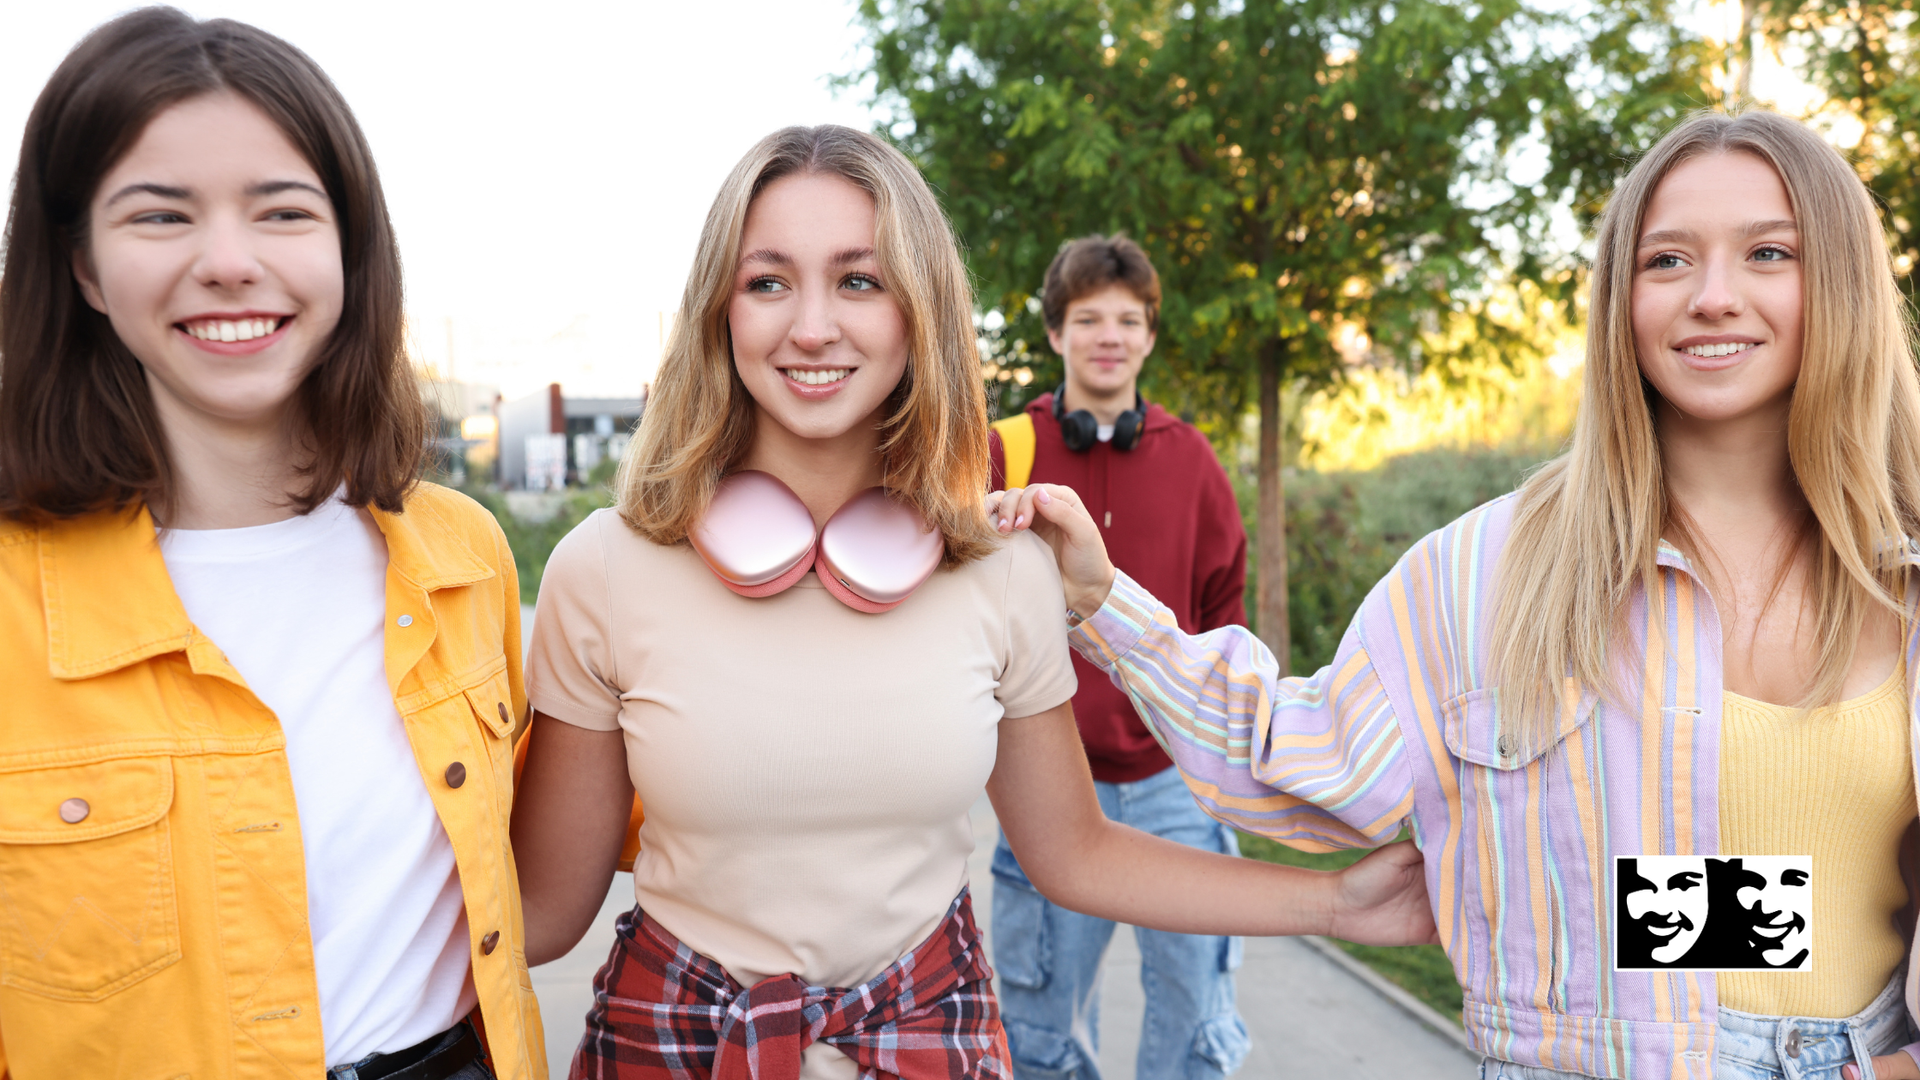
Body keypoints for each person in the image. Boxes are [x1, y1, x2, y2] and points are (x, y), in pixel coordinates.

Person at [990, 108, 1920, 1080]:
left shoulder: (1909, 581)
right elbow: (1295, 756)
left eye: (1770, 252)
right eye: (1667, 260)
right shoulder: (1486, 572)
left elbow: (1777, 904)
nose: (1714, 296)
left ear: (1844, 279)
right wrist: (1106, 604)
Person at [508, 124, 1436, 1080]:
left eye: (860, 280)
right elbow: (538, 916)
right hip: (667, 1045)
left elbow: (1076, 854)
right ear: (719, 310)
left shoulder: (1003, 571)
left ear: (921, 310)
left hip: (930, 1039)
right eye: (768, 281)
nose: (813, 325)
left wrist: (1334, 905)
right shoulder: (604, 570)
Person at [0, 10, 541, 1079]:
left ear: (348, 247)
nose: (230, 263)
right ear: (86, 273)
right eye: (160, 217)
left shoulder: (461, 556)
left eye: (283, 211)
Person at [984, 235, 1250, 1080]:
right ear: (1056, 333)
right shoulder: (1000, 452)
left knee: (1193, 1021)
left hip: (1177, 784)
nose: (1110, 335)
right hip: (1045, 783)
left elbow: (1222, 614)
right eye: (1088, 317)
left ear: (1148, 336)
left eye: (1128, 320)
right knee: (1041, 1032)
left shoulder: (1194, 461)